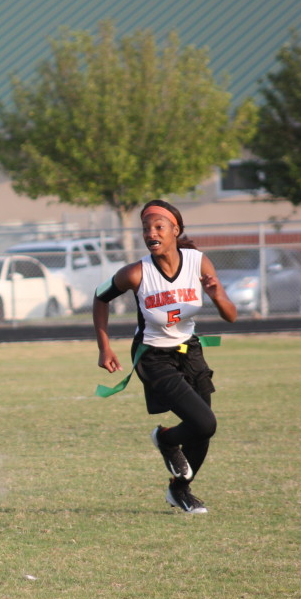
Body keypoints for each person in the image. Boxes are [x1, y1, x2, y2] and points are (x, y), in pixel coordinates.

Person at [93, 199, 237, 513]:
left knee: (201, 431)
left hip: (189, 350)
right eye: (146, 228)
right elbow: (100, 296)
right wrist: (104, 346)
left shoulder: (198, 262)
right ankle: (167, 439)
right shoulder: (136, 272)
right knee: (205, 423)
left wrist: (216, 296)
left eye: (159, 227)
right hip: (153, 356)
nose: (151, 233)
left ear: (176, 230)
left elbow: (231, 316)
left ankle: (179, 490)